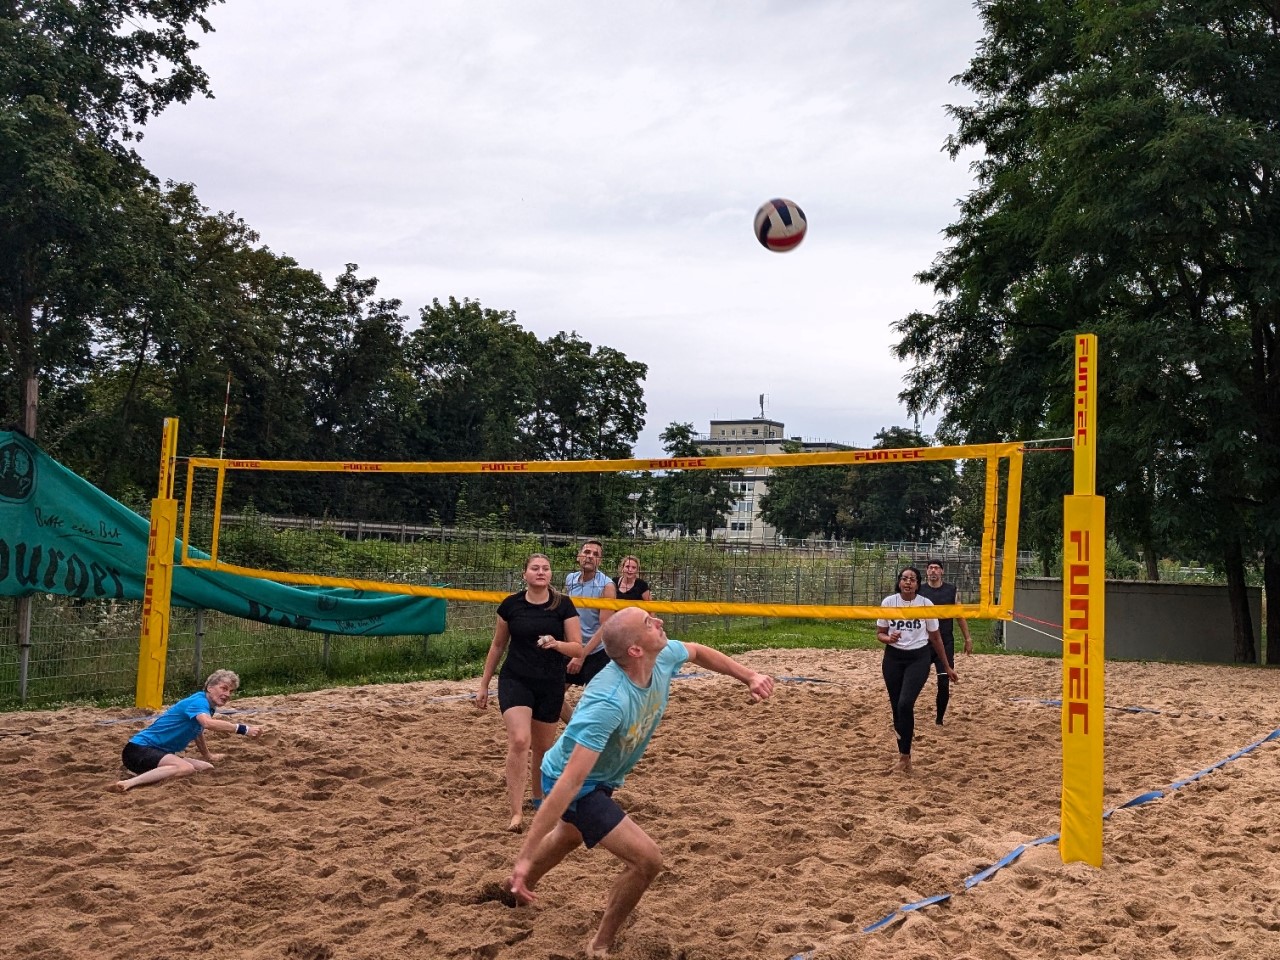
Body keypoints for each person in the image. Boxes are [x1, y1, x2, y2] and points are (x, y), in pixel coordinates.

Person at [505, 607, 775, 957]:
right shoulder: (607, 702)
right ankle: (600, 944)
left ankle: (515, 888)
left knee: (569, 835)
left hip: (601, 775)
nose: (659, 622)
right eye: (649, 623)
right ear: (635, 650)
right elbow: (569, 784)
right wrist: (524, 853)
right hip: (574, 781)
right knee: (647, 860)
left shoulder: (660, 657)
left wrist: (749, 676)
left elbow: (697, 651)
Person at [477, 553, 585, 832]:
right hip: (516, 679)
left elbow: (578, 648)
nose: (540, 572)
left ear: (551, 575)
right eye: (535, 568)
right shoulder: (511, 605)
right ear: (524, 574)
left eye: (545, 568)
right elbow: (497, 646)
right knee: (519, 740)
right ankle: (516, 814)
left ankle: (538, 800)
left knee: (543, 749)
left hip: (550, 682)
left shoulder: (563, 604)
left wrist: (556, 644)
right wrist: (484, 684)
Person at [110, 669, 262, 792]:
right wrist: (243, 729)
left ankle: (147, 773)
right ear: (210, 687)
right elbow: (207, 724)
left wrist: (207, 755)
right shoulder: (199, 702)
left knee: (206, 767)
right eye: (224, 688)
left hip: (157, 752)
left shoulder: (208, 705)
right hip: (138, 751)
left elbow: (198, 731)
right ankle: (129, 783)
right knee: (185, 768)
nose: (227, 694)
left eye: (231, 691)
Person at [876, 566, 958, 774]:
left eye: (912, 579)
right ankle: (904, 756)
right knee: (897, 708)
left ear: (917, 584)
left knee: (905, 704)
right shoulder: (889, 602)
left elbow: (936, 638)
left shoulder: (925, 604)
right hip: (893, 658)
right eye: (905, 578)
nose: (908, 582)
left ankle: (905, 756)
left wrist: (947, 666)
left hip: (918, 658)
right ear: (899, 582)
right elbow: (880, 633)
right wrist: (889, 638)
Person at [561, 539, 618, 721]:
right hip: (574, 647)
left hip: (597, 652)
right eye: (587, 552)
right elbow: (567, 614)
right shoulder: (570, 579)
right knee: (552, 694)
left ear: (599, 561)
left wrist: (582, 655)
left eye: (595, 554)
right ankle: (575, 729)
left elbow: (605, 626)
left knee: (597, 705)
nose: (590, 557)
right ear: (579, 556)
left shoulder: (606, 586)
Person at [916, 558, 973, 726]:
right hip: (923, 642)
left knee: (943, 682)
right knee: (915, 679)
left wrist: (967, 638)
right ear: (926, 571)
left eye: (936, 568)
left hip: (945, 642)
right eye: (930, 568)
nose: (933, 570)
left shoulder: (951, 590)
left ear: (942, 571)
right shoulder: (919, 590)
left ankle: (939, 720)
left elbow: (960, 615)